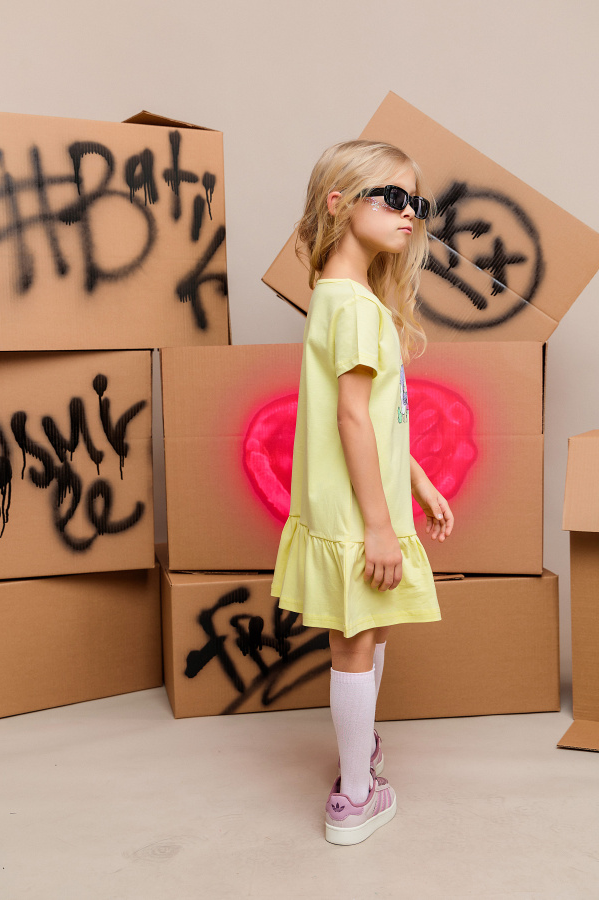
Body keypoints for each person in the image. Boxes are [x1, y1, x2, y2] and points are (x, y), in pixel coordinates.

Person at [271, 140, 454, 845]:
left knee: (367, 631)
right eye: (393, 197)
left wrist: (419, 479)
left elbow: (377, 417)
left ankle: (360, 754)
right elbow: (351, 419)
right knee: (355, 643)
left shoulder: (340, 296)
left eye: (417, 202)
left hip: (355, 502)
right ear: (340, 204)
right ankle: (354, 796)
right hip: (357, 513)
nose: (410, 214)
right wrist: (379, 527)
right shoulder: (354, 307)